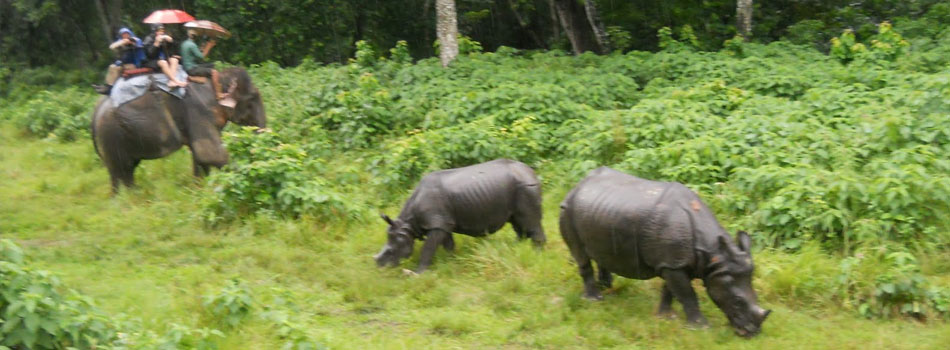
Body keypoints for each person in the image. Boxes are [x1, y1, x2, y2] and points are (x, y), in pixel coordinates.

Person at [94, 27, 145, 95]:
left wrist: (131, 42)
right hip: (124, 63)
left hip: (134, 63)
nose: (125, 35)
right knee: (112, 67)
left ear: (130, 34)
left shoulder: (135, 40)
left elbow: (137, 43)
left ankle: (110, 89)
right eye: (123, 34)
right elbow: (112, 47)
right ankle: (108, 85)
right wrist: (122, 42)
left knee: (117, 68)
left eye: (127, 34)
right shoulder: (121, 42)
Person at [180, 29, 226, 100]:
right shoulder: (192, 45)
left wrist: (201, 49)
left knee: (212, 65)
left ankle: (198, 79)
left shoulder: (185, 43)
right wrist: (209, 46)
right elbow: (202, 57)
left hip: (187, 66)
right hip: (192, 68)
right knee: (214, 72)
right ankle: (218, 94)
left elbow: (193, 55)